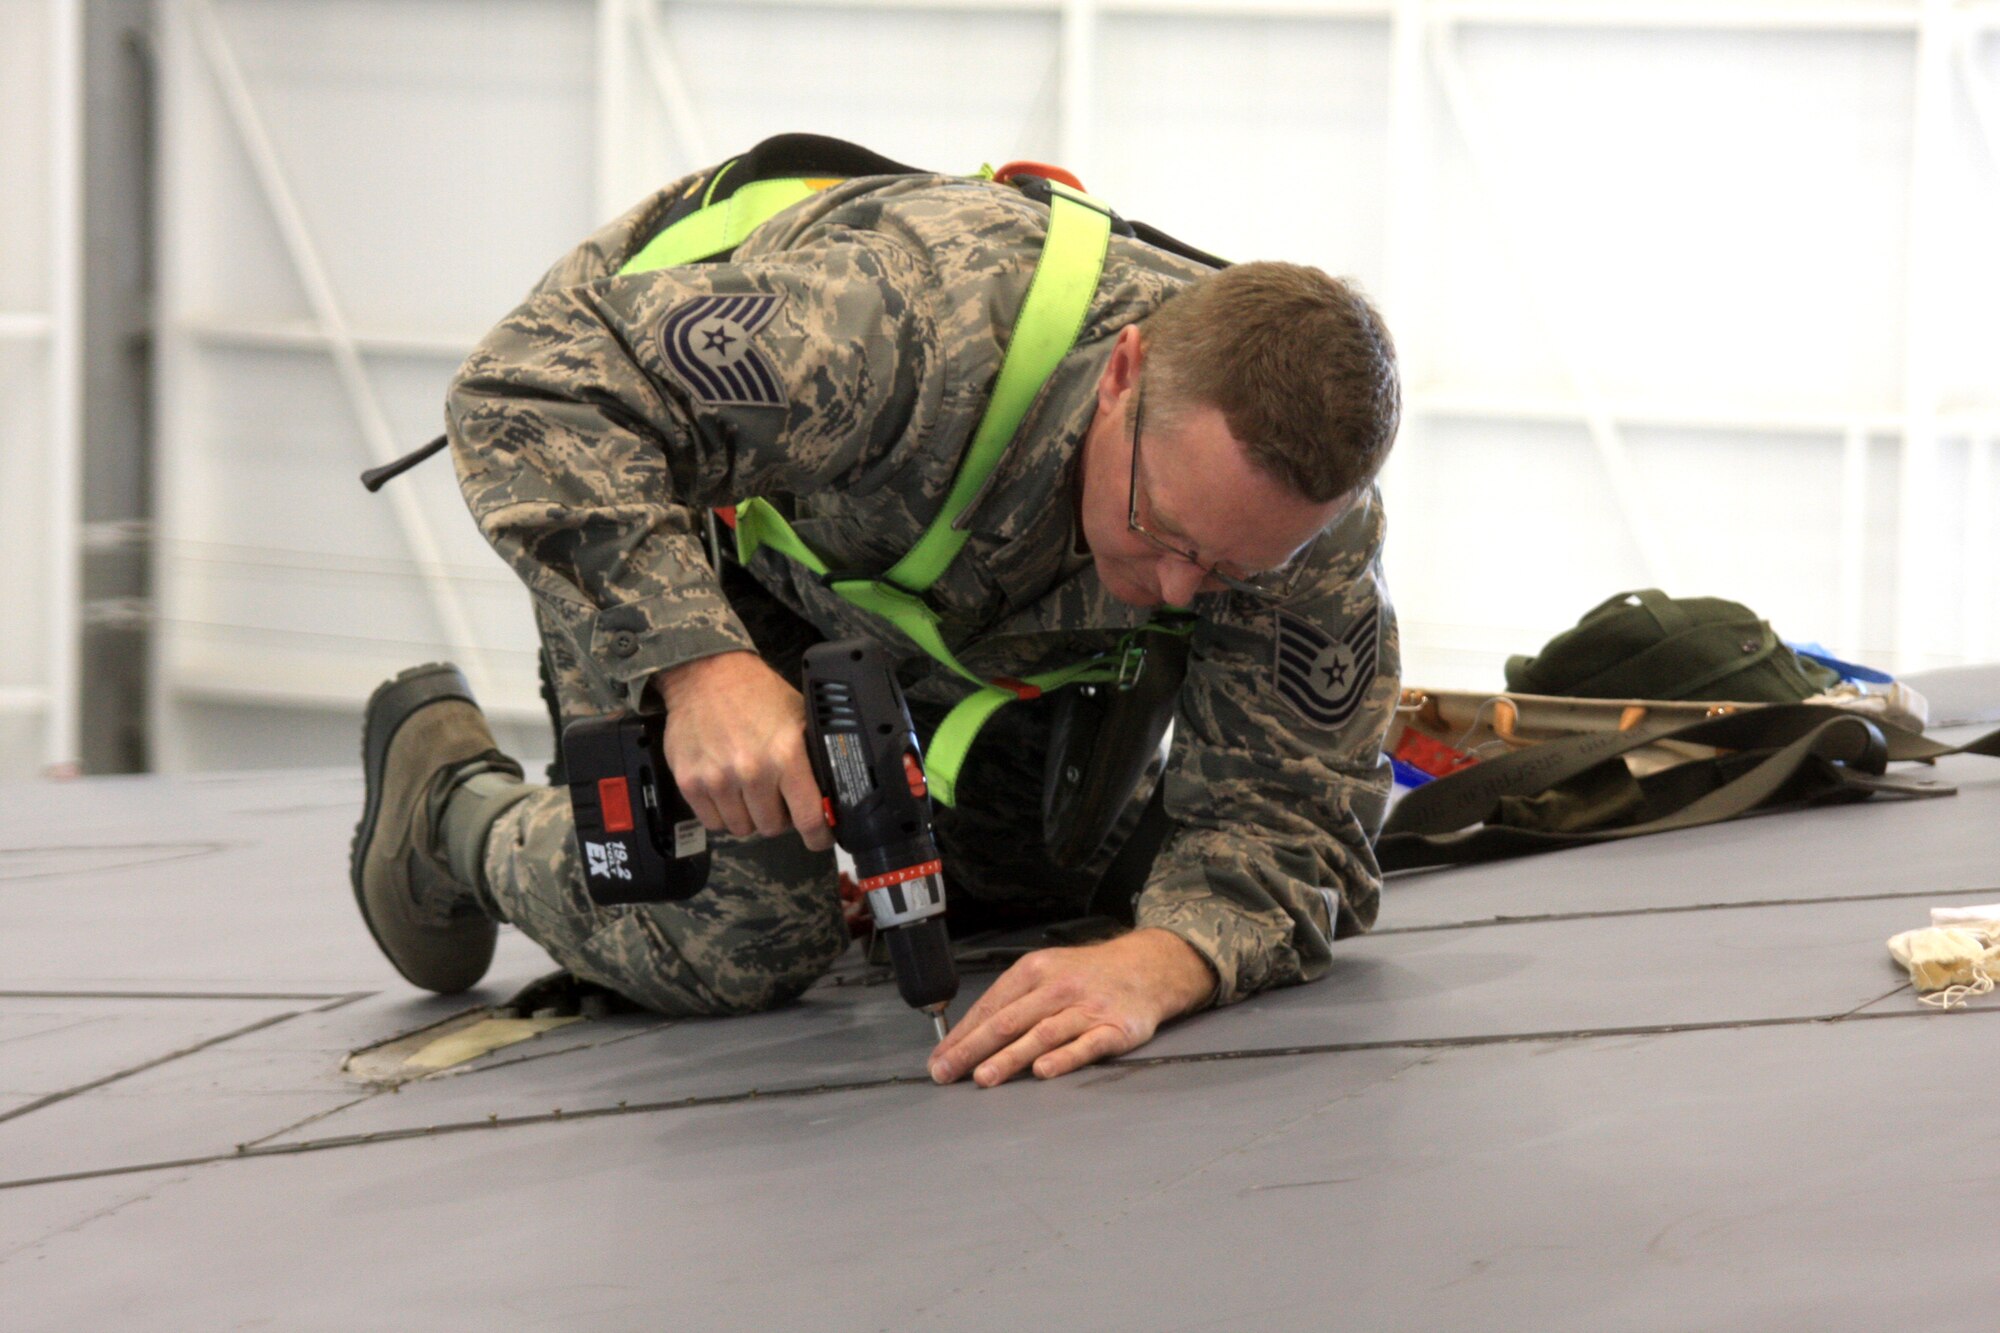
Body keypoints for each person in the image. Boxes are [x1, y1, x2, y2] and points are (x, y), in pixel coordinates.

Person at [349, 145, 1402, 1088]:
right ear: (1124, 375)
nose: (1178, 590)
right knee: (742, 941)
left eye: (1226, 571)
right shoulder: (904, 329)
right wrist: (701, 669)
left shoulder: (1301, 528)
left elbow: (1297, 817)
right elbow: (527, 390)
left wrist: (1165, 961)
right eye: (1161, 529)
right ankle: (449, 812)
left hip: (931, 606)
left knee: (1036, 895)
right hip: (676, 515)